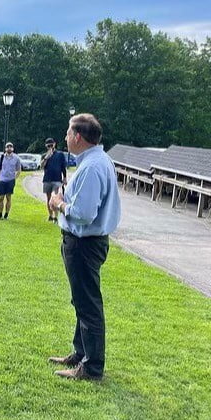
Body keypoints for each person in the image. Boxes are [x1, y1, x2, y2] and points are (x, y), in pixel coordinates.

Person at [48, 113, 121, 381]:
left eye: (68, 133)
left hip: (84, 244)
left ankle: (91, 367)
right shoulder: (99, 161)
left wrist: (59, 204)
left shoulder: (92, 167)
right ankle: (81, 354)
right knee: (82, 300)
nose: (65, 137)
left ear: (78, 137)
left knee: (88, 304)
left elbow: (84, 213)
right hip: (86, 243)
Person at [41, 138, 68, 222]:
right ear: (46, 146)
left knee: (56, 198)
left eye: (51, 145)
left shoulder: (60, 154)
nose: (50, 147)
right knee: (48, 198)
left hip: (57, 179)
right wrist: (46, 158)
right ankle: (50, 215)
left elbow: (63, 167)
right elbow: (41, 166)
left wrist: (65, 177)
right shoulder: (44, 155)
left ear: (54, 144)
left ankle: (55, 217)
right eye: (48, 145)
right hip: (47, 179)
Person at [0, 142, 21, 220]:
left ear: (13, 148)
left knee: (8, 197)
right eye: (7, 147)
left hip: (10, 180)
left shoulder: (16, 158)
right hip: (2, 180)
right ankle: (0, 214)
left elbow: (19, 170)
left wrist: (14, 178)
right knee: (1, 197)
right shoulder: (1, 157)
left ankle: (6, 214)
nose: (9, 148)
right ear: (5, 148)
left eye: (10, 147)